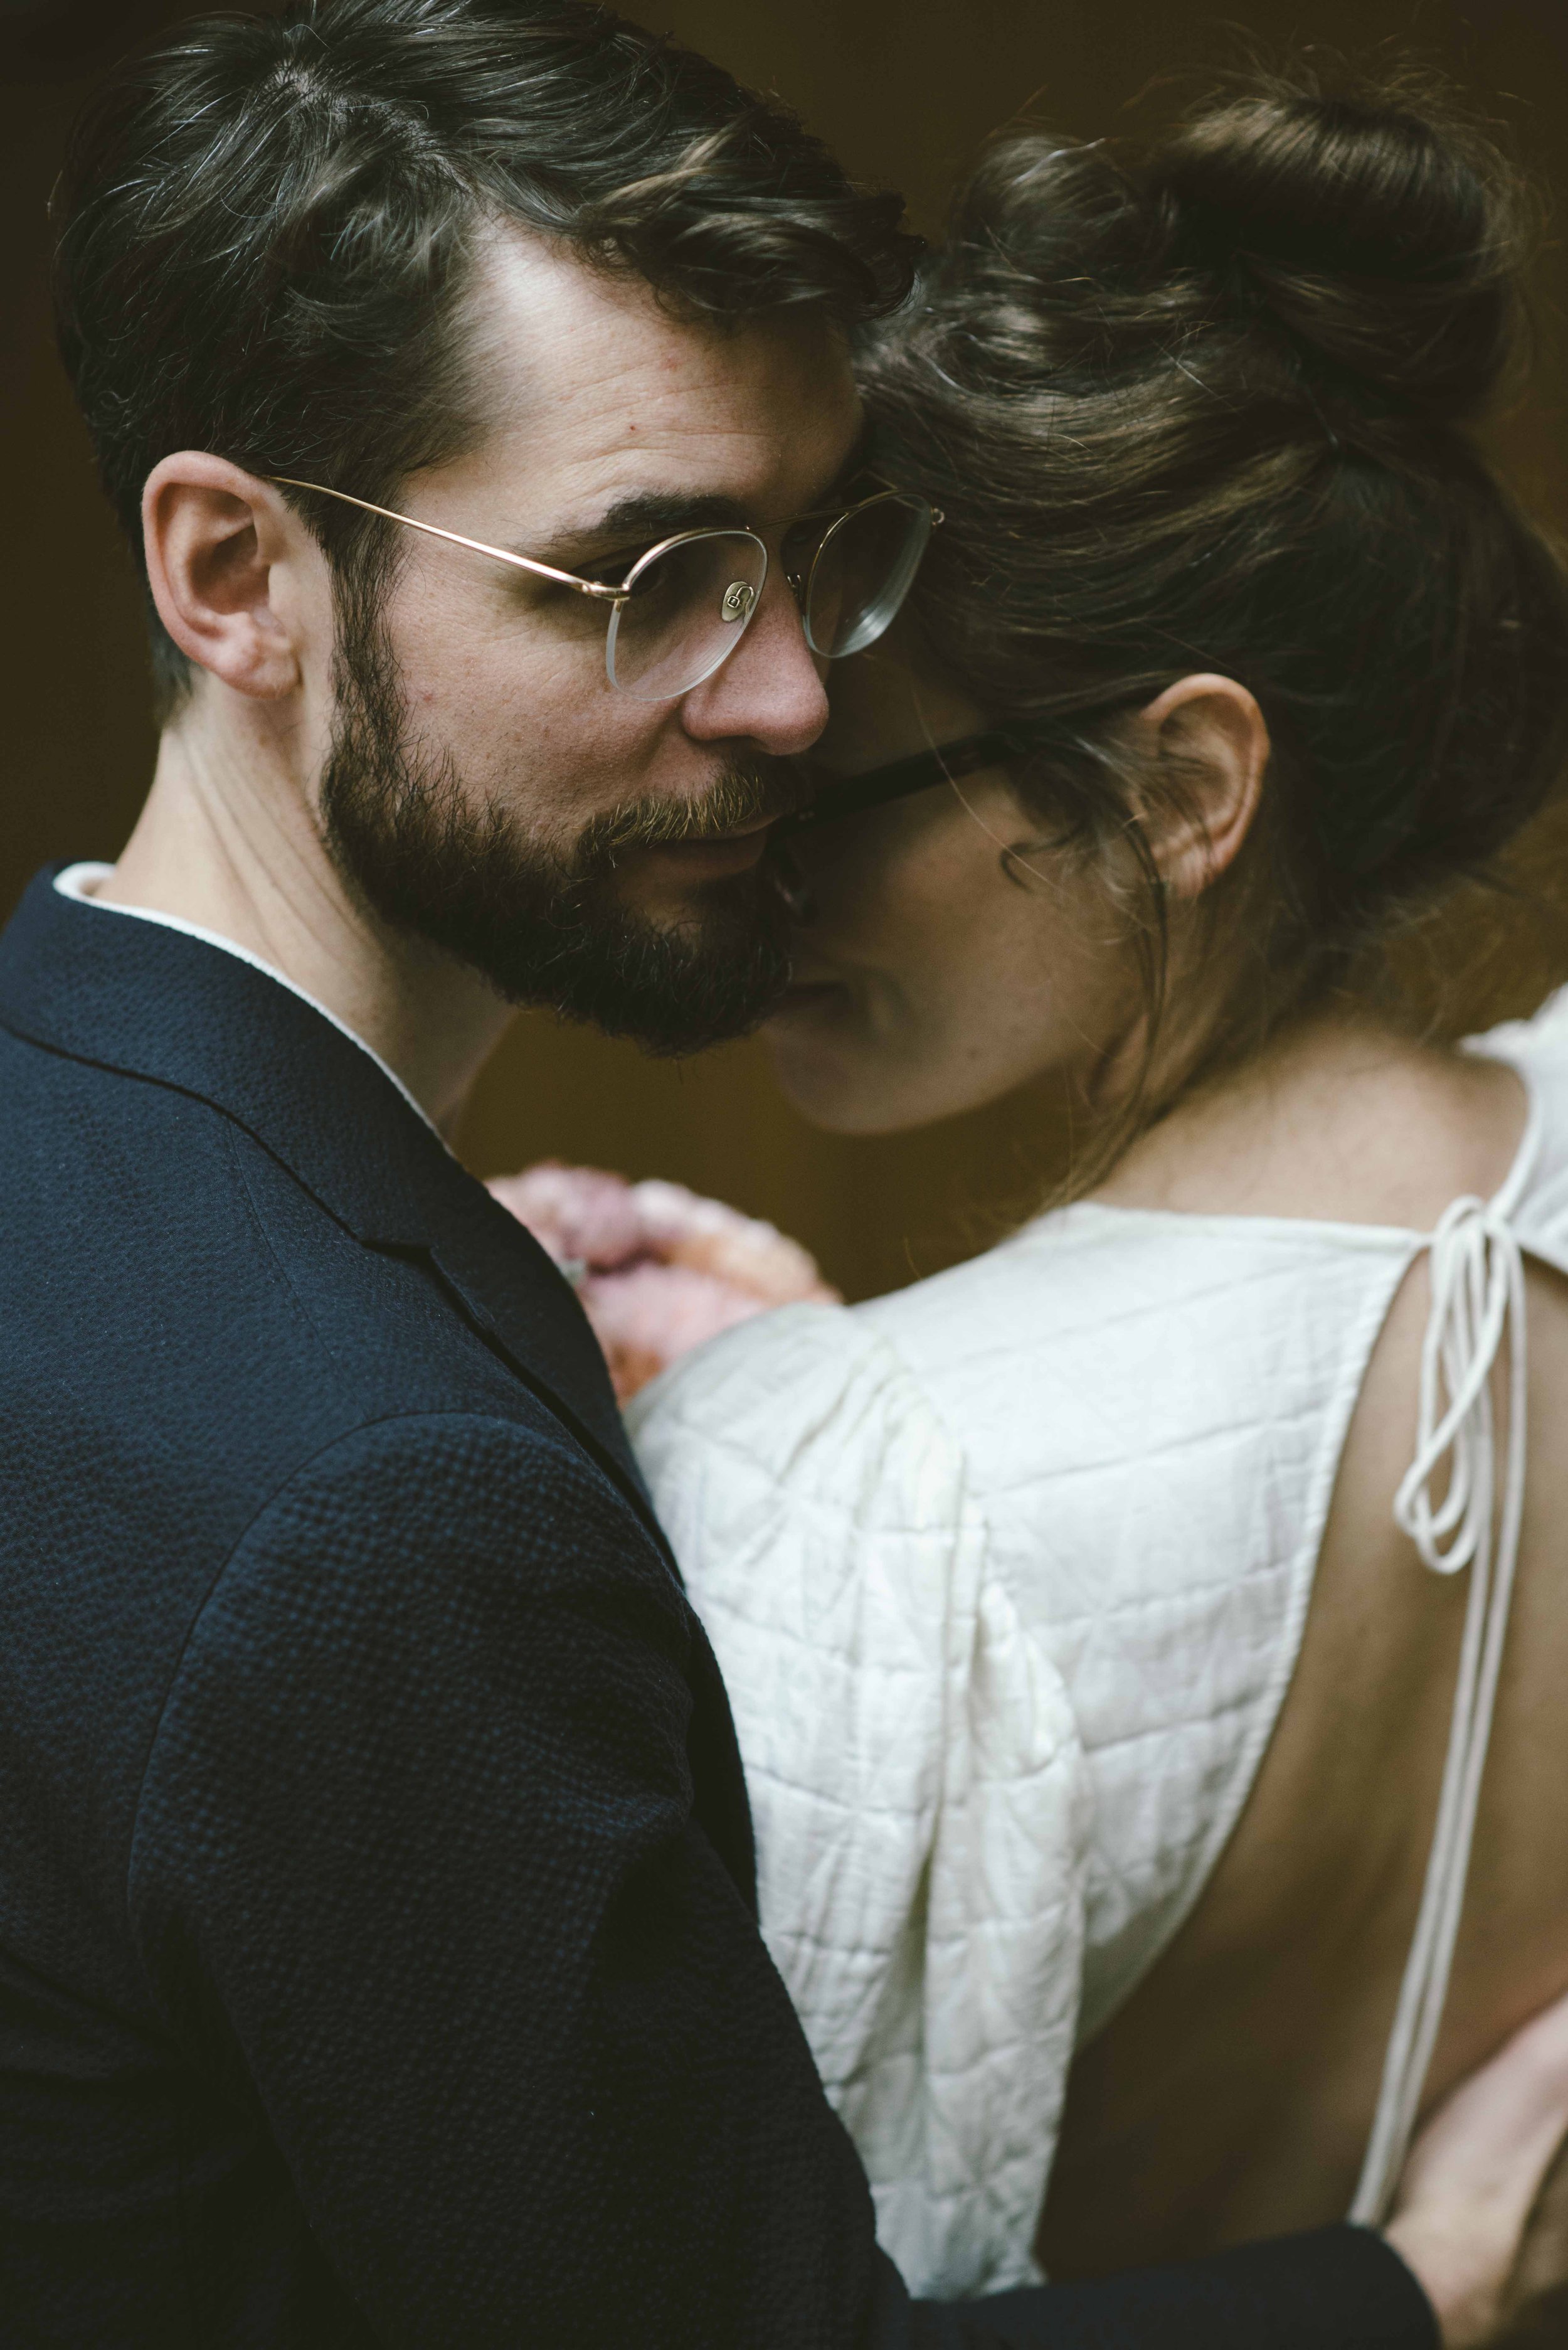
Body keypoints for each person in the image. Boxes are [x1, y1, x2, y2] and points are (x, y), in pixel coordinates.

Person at [0, 5, 1557, 2342]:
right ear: (237, 577)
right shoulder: (383, 1498)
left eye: (806, 558)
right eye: (642, 579)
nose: (796, 707)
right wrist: (1417, 2286)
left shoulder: (116, 1146)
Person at [626, 61, 1568, 2332]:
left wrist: (811, 1458)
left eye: (835, 794)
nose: (743, 881)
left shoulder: (870, 1481)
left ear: (1186, 782)